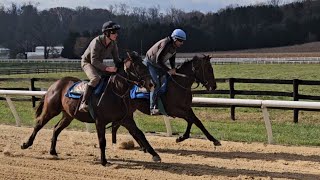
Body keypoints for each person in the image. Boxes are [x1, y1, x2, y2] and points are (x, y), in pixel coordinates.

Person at [79, 21, 122, 112]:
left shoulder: (113, 43)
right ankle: (83, 103)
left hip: (98, 63)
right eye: (113, 32)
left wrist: (124, 65)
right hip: (87, 62)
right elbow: (93, 61)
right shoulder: (96, 42)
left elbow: (117, 60)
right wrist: (108, 68)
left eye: (116, 32)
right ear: (106, 33)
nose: (116, 34)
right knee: (95, 79)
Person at [144, 29, 186, 115]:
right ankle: (152, 108)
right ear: (175, 39)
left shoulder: (174, 46)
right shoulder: (165, 44)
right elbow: (158, 60)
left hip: (158, 65)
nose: (182, 43)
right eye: (181, 41)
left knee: (167, 81)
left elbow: (172, 59)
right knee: (155, 84)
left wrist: (173, 68)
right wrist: (169, 70)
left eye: (183, 41)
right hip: (150, 63)